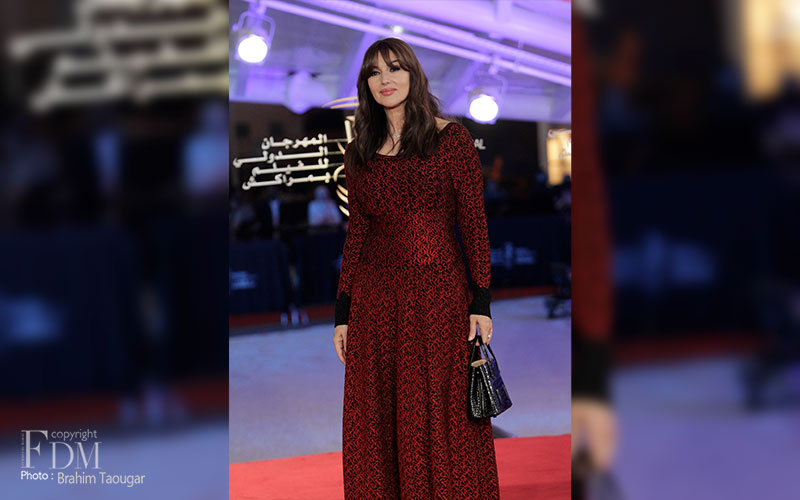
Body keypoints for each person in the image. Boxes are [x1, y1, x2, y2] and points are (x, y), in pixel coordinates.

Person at [331, 37, 499, 499]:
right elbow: (357, 235)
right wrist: (343, 311)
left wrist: (481, 300)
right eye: (374, 72)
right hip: (376, 302)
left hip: (439, 297)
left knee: (442, 412)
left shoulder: (452, 141)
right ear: (366, 84)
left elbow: (474, 224)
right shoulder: (359, 152)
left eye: (394, 68)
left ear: (413, 74)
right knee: (379, 415)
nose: (385, 80)